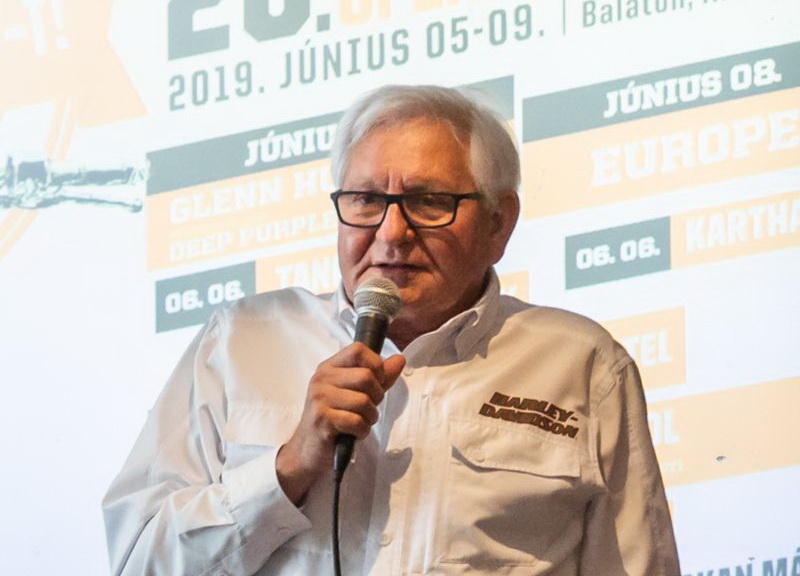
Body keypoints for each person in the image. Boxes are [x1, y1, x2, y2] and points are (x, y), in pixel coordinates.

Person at [102, 85, 681, 575]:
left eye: (428, 202)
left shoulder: (581, 364)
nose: (391, 233)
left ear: (499, 223)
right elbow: (138, 561)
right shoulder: (241, 342)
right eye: (365, 199)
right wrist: (288, 468)